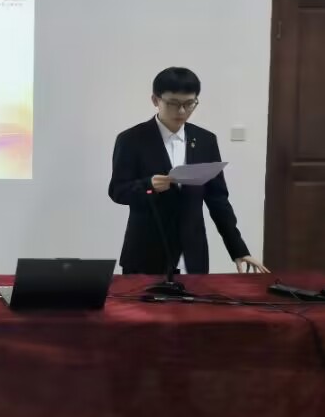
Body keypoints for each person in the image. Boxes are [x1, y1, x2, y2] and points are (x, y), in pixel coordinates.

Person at [109, 67, 269, 275]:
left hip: (193, 253)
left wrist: (238, 248)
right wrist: (149, 186)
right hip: (145, 252)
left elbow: (217, 199)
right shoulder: (131, 139)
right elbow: (117, 191)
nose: (182, 111)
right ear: (155, 100)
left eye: (189, 104)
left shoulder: (205, 140)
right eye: (173, 104)